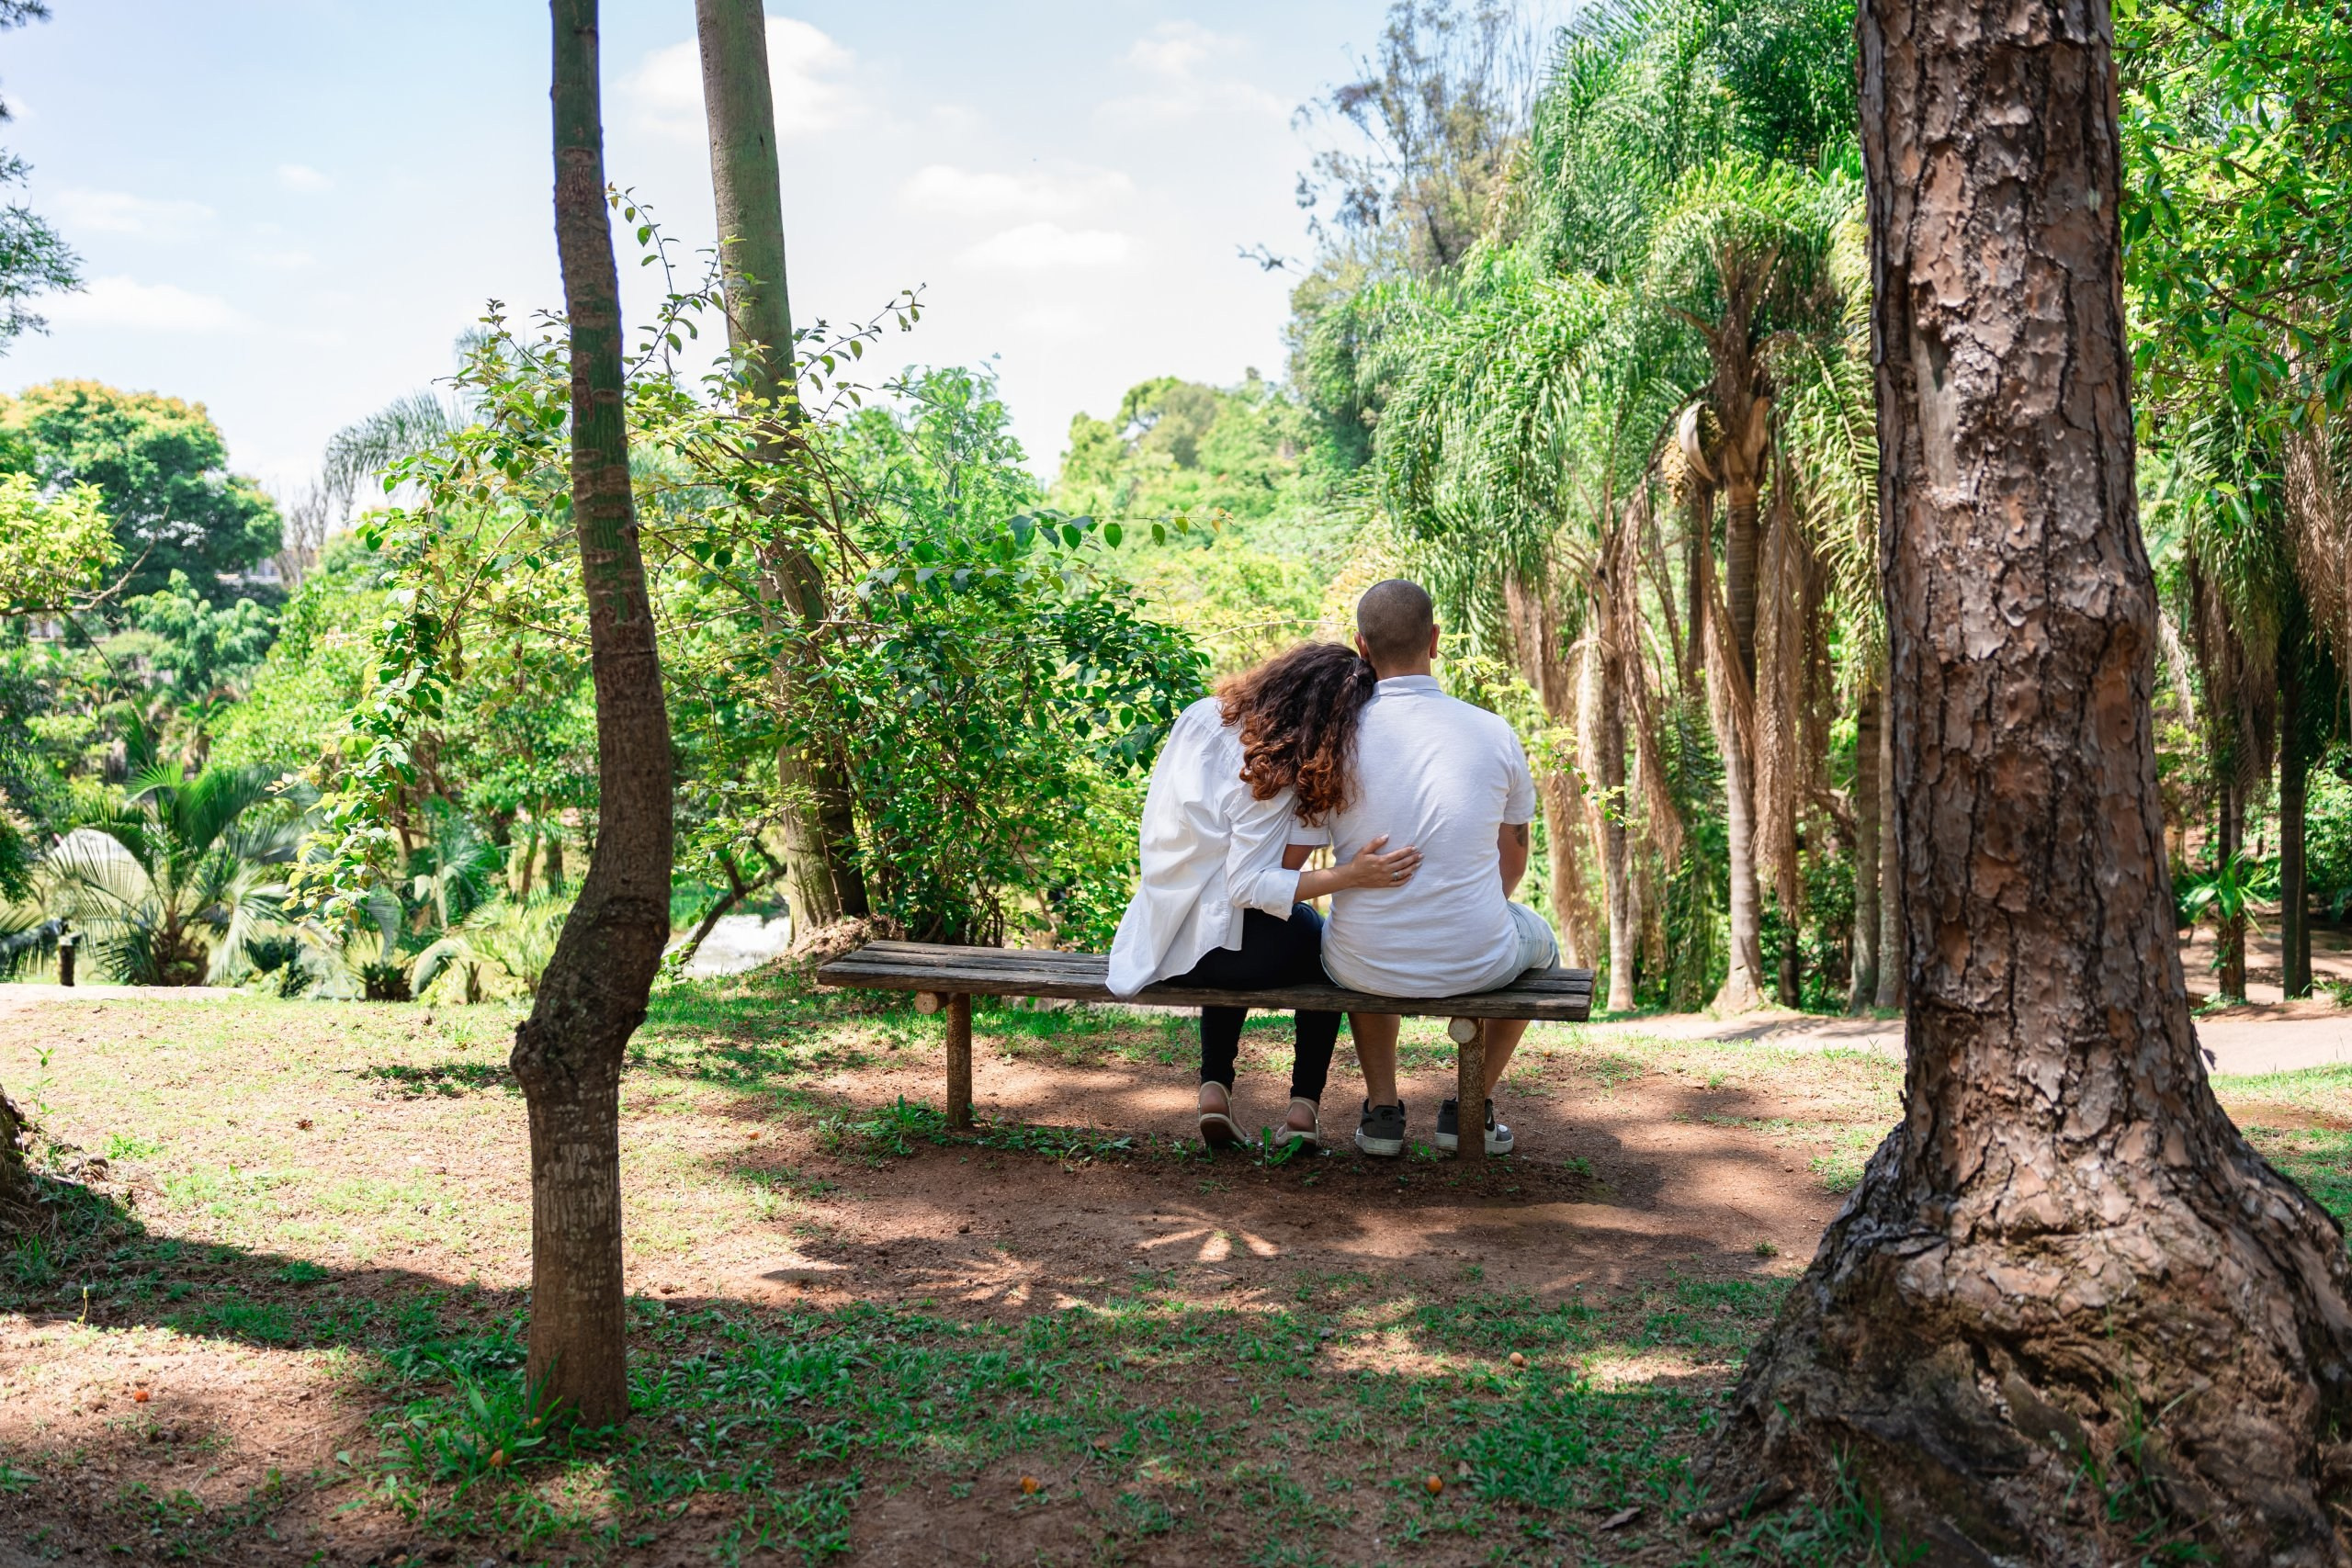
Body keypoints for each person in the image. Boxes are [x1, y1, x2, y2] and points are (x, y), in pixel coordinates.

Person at [1108, 642, 1422, 1151]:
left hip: (1163, 941)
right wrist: (1351, 874)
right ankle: (1303, 1109)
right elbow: (1250, 886)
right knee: (1325, 948)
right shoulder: (1274, 774)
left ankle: (1214, 1089)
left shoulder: (1200, 717)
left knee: (1230, 927)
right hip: (1225, 954)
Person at [1301, 578, 1560, 1157]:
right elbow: (1512, 855)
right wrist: (1470, 910)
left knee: (1361, 934)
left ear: (1361, 648)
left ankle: (1383, 1113)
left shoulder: (1336, 738)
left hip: (1360, 963)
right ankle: (1468, 1108)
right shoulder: (1493, 732)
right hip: (1477, 956)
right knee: (1542, 944)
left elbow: (1293, 853)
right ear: (1435, 640)